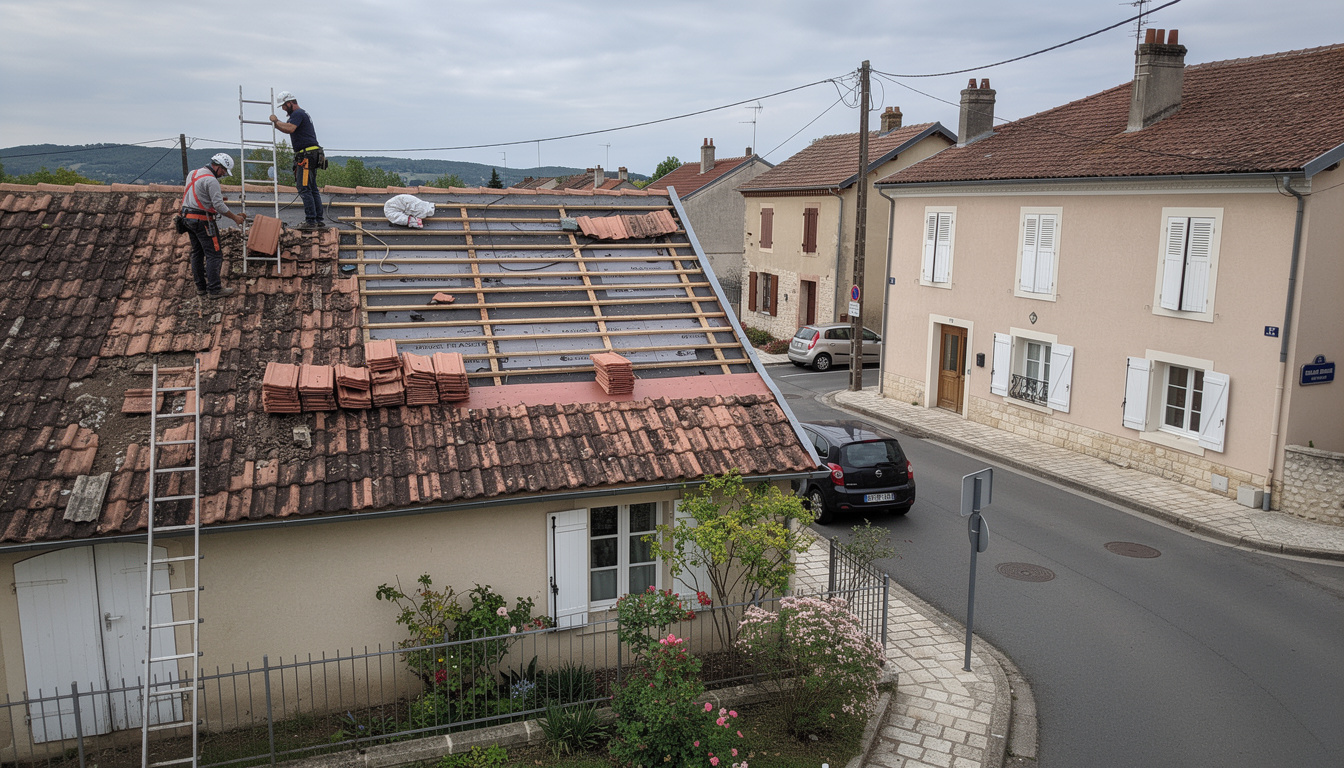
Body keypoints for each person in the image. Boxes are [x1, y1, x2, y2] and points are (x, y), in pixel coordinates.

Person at [181, 154, 246, 298]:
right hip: (202, 220)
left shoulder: (193, 173)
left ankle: (201, 288)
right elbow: (219, 206)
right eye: (223, 171)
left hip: (187, 219)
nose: (223, 174)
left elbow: (196, 195)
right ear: (217, 166)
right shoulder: (211, 181)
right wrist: (235, 217)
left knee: (197, 252)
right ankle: (215, 289)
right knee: (214, 254)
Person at [269, 91, 326, 229]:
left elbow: (290, 129)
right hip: (311, 154)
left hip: (307, 156)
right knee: (311, 188)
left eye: (283, 105)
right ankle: (317, 220)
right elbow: (287, 128)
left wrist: (276, 121)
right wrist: (276, 123)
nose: (283, 108)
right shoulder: (300, 114)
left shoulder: (298, 114)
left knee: (304, 188)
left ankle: (311, 221)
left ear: (290, 102)